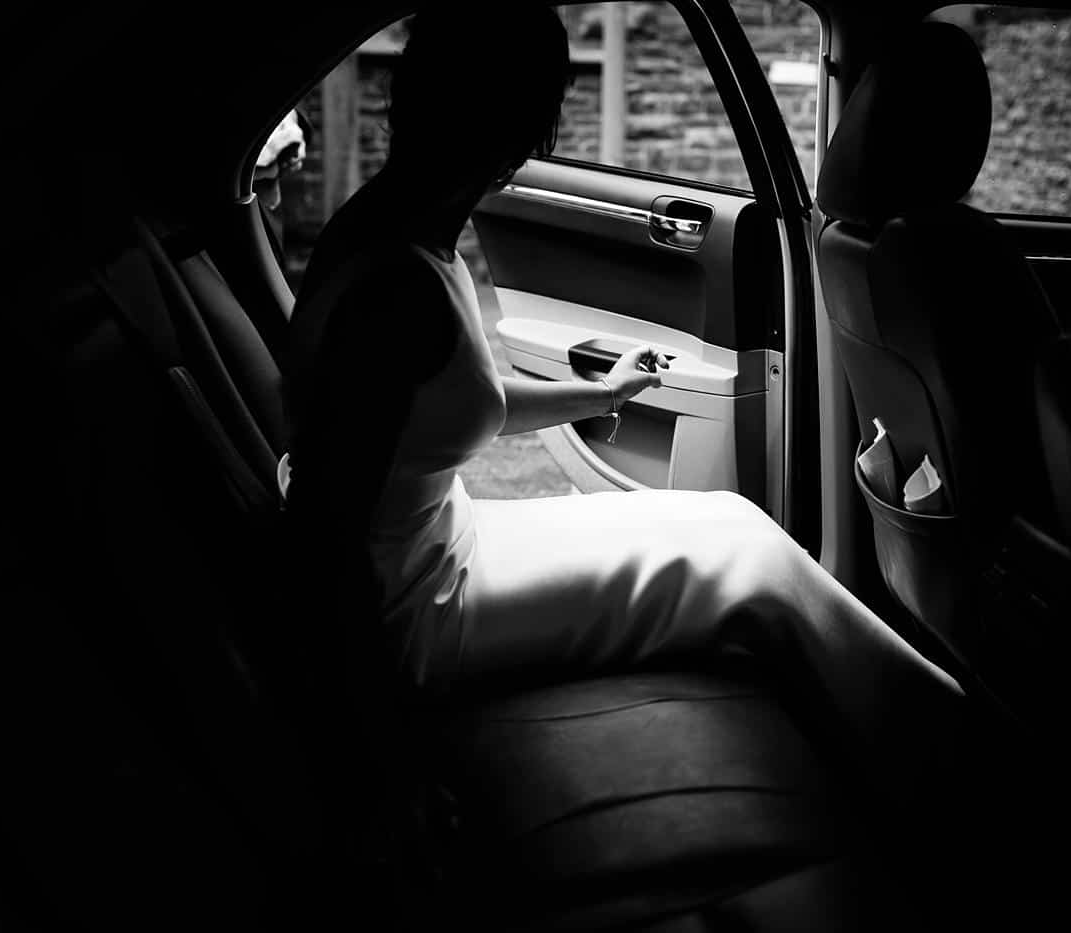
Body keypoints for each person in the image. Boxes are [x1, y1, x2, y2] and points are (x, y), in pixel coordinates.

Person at [283, 2, 965, 794]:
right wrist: (382, 774)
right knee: (747, 568)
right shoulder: (395, 288)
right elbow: (325, 539)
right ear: (519, 133)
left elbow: (438, 405)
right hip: (422, 614)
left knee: (731, 525)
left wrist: (600, 391)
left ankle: (913, 734)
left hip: (437, 549)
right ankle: (948, 759)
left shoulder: (393, 231)